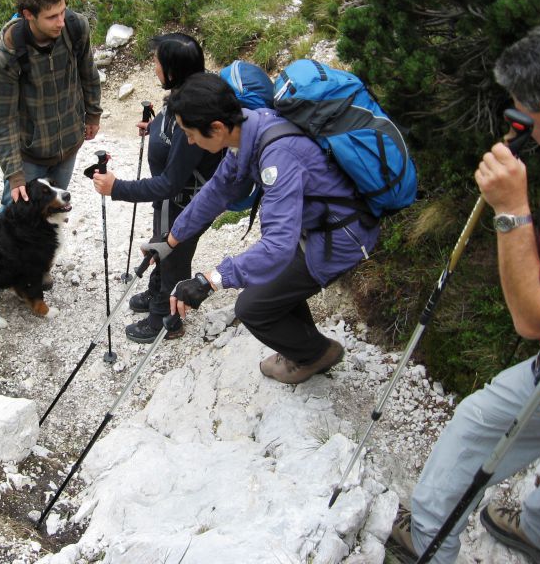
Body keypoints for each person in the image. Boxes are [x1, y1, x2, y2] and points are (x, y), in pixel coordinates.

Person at [390, 22, 540, 564]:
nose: (522, 126)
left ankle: (429, 538)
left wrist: (511, 208)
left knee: (477, 424)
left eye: (523, 113)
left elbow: (534, 319)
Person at [160, 71, 379, 383]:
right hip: (316, 227)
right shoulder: (251, 128)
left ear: (217, 127)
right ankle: (303, 346)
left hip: (339, 237)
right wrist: (172, 239)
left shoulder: (277, 155)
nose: (189, 140)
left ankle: (316, 354)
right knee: (268, 286)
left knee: (252, 307)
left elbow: (277, 247)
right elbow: (220, 189)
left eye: (190, 132)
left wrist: (211, 280)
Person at [91, 33, 221, 343]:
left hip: (182, 202)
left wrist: (117, 187)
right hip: (173, 202)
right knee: (160, 245)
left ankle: (166, 319)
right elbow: (171, 121)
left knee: (174, 254)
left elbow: (169, 183)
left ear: (173, 70)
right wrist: (155, 127)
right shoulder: (188, 90)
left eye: (157, 63)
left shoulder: (193, 112)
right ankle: (156, 295)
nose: (154, 67)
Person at [0, 0, 102, 210]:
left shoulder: (75, 28)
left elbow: (89, 74)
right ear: (28, 15)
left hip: (70, 144)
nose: (61, 21)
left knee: (51, 211)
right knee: (14, 216)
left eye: (63, 11)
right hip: (30, 155)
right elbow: (3, 117)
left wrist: (93, 114)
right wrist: (15, 174)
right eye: (52, 17)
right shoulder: (11, 49)